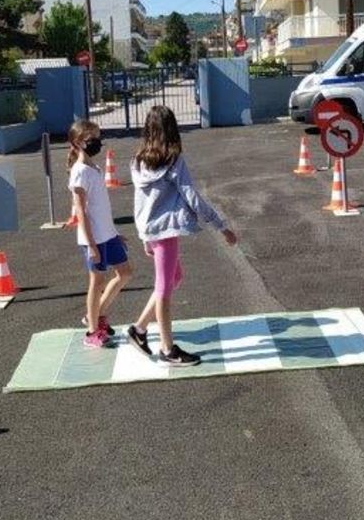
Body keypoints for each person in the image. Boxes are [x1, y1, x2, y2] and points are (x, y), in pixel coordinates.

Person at [127, 105, 237, 367]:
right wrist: (221, 226)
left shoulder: (138, 161)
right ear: (172, 128)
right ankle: (167, 349)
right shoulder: (173, 159)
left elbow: (141, 203)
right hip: (166, 231)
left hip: (153, 230)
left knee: (175, 277)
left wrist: (144, 236)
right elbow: (192, 197)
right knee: (164, 288)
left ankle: (139, 329)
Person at [67, 119, 133, 348]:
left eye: (98, 137)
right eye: (91, 138)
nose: (97, 142)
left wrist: (115, 232)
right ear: (78, 142)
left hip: (108, 234)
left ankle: (95, 315)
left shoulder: (94, 168)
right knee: (96, 282)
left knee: (125, 273)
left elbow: (101, 207)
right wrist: (92, 245)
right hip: (93, 239)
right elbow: (81, 213)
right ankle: (92, 331)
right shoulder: (79, 173)